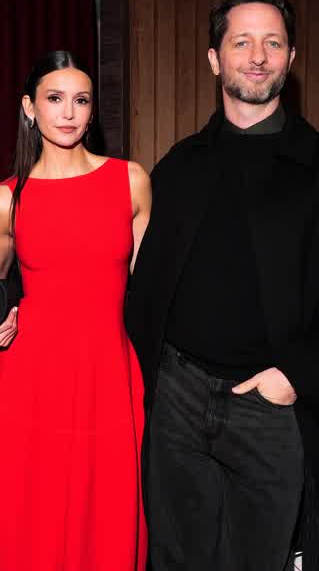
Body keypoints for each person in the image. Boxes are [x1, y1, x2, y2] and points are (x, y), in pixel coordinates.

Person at [127, 0, 319, 571]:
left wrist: (293, 376)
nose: (257, 56)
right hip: (178, 400)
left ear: (291, 57)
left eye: (272, 43)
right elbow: (139, 282)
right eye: (241, 42)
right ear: (215, 59)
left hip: (271, 407)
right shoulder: (179, 165)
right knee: (175, 559)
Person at [0, 50, 151, 570]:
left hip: (109, 376)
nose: (68, 112)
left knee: (107, 515)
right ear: (29, 107)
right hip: (29, 382)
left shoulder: (130, 180)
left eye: (81, 100)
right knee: (32, 518)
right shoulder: (8, 199)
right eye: (55, 98)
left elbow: (152, 292)